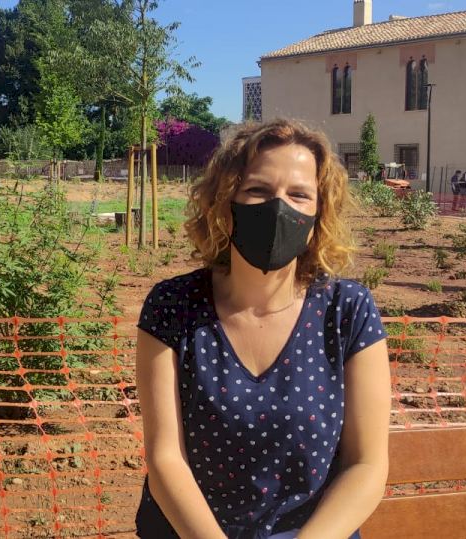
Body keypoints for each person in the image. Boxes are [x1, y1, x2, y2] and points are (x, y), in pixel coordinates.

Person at [134, 119, 391, 539]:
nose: (278, 208)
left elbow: (367, 465)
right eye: (257, 190)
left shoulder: (348, 311)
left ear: (319, 212)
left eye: (299, 195)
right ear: (225, 201)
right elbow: (166, 459)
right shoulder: (172, 307)